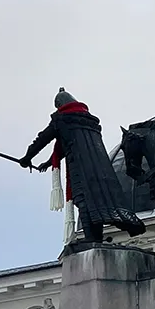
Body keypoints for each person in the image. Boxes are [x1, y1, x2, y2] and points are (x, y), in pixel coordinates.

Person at [20, 89, 147, 245]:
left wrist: (27, 157)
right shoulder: (89, 122)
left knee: (83, 200)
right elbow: (69, 143)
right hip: (101, 168)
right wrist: (49, 162)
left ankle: (91, 238)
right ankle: (96, 237)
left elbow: (42, 139)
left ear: (60, 105)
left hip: (79, 168)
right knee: (95, 199)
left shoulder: (62, 119)